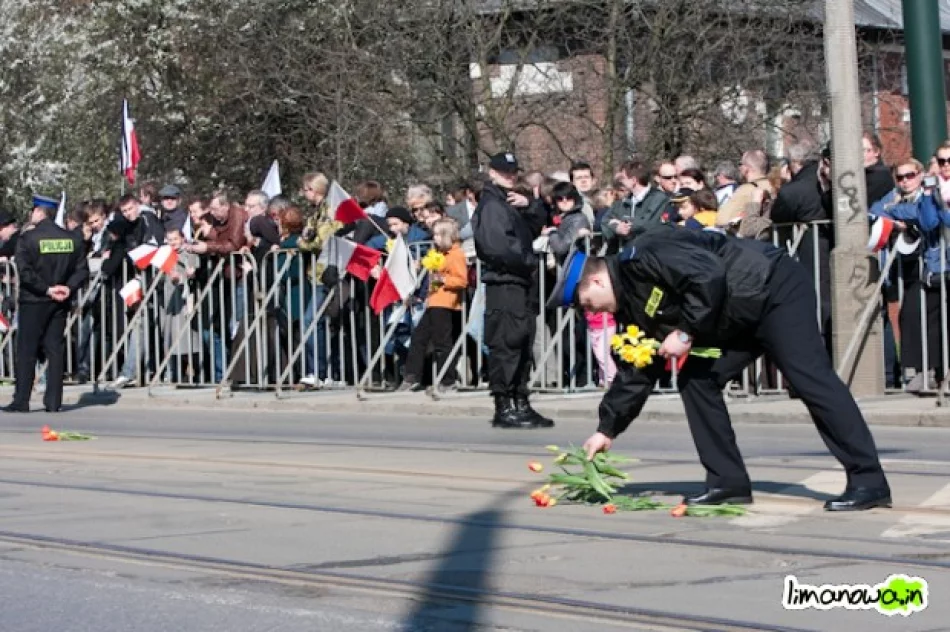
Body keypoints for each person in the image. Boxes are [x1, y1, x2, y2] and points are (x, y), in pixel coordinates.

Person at [548, 228, 891, 511]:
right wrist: (607, 428)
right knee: (696, 379)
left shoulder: (646, 254)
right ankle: (727, 482)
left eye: (586, 304)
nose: (592, 313)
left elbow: (708, 274)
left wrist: (684, 333)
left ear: (593, 282)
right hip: (735, 315)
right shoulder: (630, 306)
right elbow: (639, 368)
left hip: (772, 288)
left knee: (810, 380)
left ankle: (869, 481)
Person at [471, 151, 552, 429]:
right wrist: (528, 262)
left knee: (521, 342)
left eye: (513, 171)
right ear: (492, 172)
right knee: (507, 343)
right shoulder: (492, 205)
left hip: (518, 282)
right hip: (505, 282)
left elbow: (537, 223)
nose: (510, 175)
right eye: (504, 171)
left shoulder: (508, 202)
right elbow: (499, 247)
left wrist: (529, 204)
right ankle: (505, 404)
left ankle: (520, 400)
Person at [4, 194, 89, 412]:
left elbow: (25, 272)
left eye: (33, 210)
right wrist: (67, 288)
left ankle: (21, 400)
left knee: (27, 350)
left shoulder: (28, 239)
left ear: (40, 212)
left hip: (34, 300)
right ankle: (53, 401)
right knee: (55, 349)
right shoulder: (72, 239)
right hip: (60, 301)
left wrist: (46, 289)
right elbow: (82, 271)